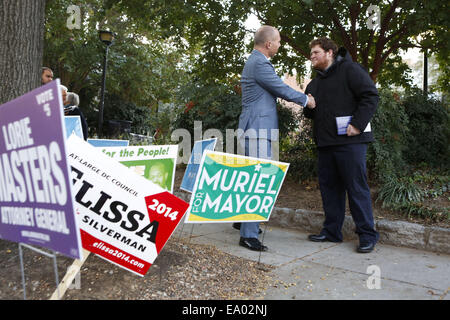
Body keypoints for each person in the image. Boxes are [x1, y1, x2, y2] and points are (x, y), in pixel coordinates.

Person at [236, 25, 316, 252]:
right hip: (258, 129)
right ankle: (248, 235)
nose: (280, 45)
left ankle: (242, 222)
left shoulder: (255, 61)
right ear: (268, 44)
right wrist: (305, 100)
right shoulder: (260, 63)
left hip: (255, 127)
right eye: (279, 41)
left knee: (251, 178)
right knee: (256, 181)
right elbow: (280, 88)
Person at [304, 37, 379, 253]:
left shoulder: (351, 70)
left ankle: (367, 235)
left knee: (357, 188)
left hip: (351, 142)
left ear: (329, 52)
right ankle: (332, 231)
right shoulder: (315, 82)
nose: (312, 57)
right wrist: (308, 103)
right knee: (330, 190)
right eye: (311, 54)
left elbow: (370, 96)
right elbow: (310, 112)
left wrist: (357, 124)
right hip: (325, 144)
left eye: (315, 52)